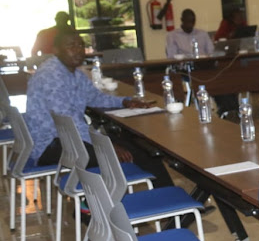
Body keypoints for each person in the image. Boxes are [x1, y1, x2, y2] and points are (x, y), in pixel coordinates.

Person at [25, 29, 173, 188]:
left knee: (139, 147)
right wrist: (106, 146)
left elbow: (95, 97)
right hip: (49, 145)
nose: (78, 50)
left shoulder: (74, 73)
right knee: (126, 153)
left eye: (80, 45)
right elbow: (71, 124)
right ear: (56, 50)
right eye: (71, 46)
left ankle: (171, 200)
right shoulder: (51, 75)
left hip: (68, 139)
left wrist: (125, 102)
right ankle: (89, 206)